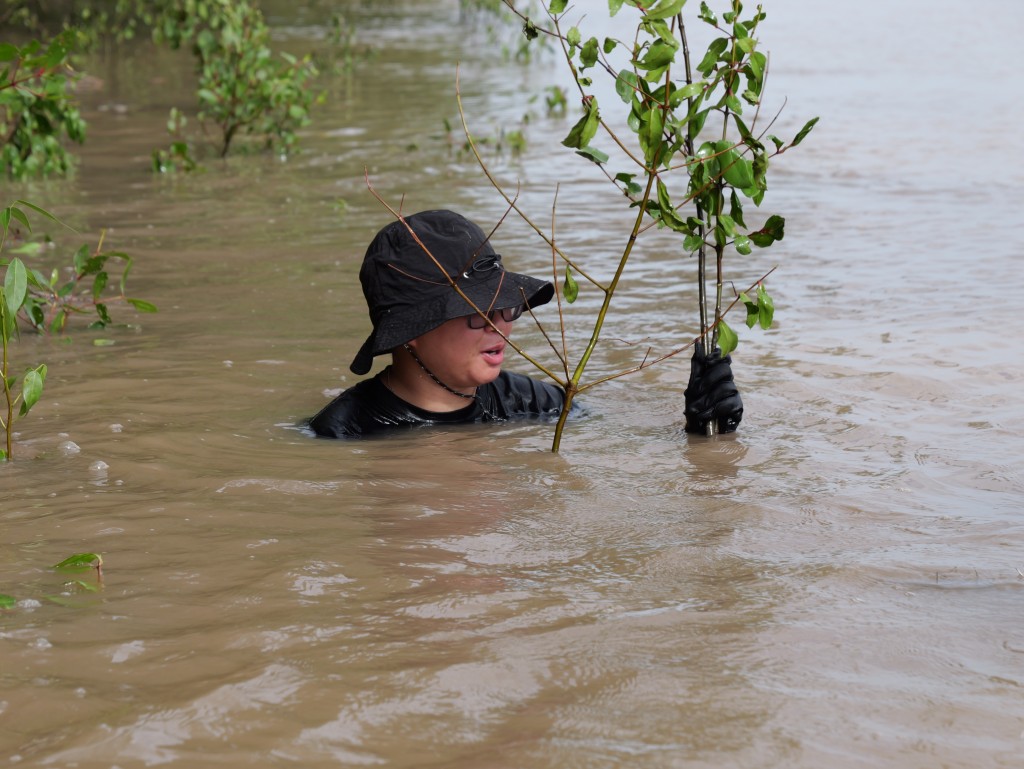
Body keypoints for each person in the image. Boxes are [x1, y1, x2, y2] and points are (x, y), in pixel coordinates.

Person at [308, 209, 742, 439]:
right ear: (412, 333)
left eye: (505, 307)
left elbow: (618, 435)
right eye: (479, 313)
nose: (501, 326)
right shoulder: (345, 430)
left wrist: (702, 427)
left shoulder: (532, 402)